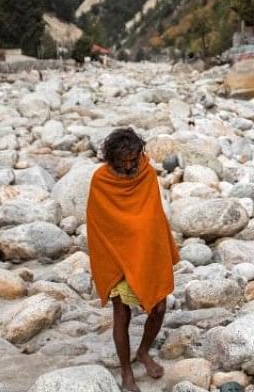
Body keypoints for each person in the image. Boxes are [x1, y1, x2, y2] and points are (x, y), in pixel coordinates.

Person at [86, 127, 178, 392]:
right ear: (110, 159)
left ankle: (144, 351)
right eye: (122, 162)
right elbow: (99, 227)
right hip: (115, 257)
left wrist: (155, 249)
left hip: (147, 251)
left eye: (133, 159)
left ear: (140, 153)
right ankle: (126, 371)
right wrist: (113, 261)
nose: (128, 166)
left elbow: (153, 217)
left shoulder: (146, 172)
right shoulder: (101, 180)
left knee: (159, 307)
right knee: (121, 313)